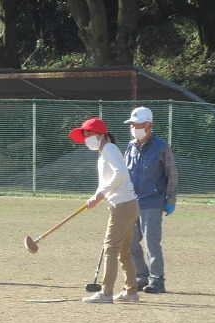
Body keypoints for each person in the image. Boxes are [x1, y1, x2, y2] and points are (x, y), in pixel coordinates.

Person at [69, 118, 140, 304]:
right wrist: (96, 197)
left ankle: (106, 293)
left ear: (101, 134)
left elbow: (122, 173)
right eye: (85, 135)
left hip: (123, 206)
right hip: (127, 204)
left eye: (90, 134)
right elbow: (107, 181)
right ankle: (131, 292)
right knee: (124, 251)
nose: (87, 138)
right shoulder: (104, 153)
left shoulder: (109, 149)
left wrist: (100, 195)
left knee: (111, 248)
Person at [124, 106, 178, 293]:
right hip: (131, 202)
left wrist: (171, 199)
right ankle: (141, 276)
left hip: (152, 202)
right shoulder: (130, 146)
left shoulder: (162, 146)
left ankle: (157, 280)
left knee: (151, 242)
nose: (133, 127)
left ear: (149, 125)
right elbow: (124, 173)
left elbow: (172, 174)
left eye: (137, 124)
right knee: (130, 241)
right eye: (132, 124)